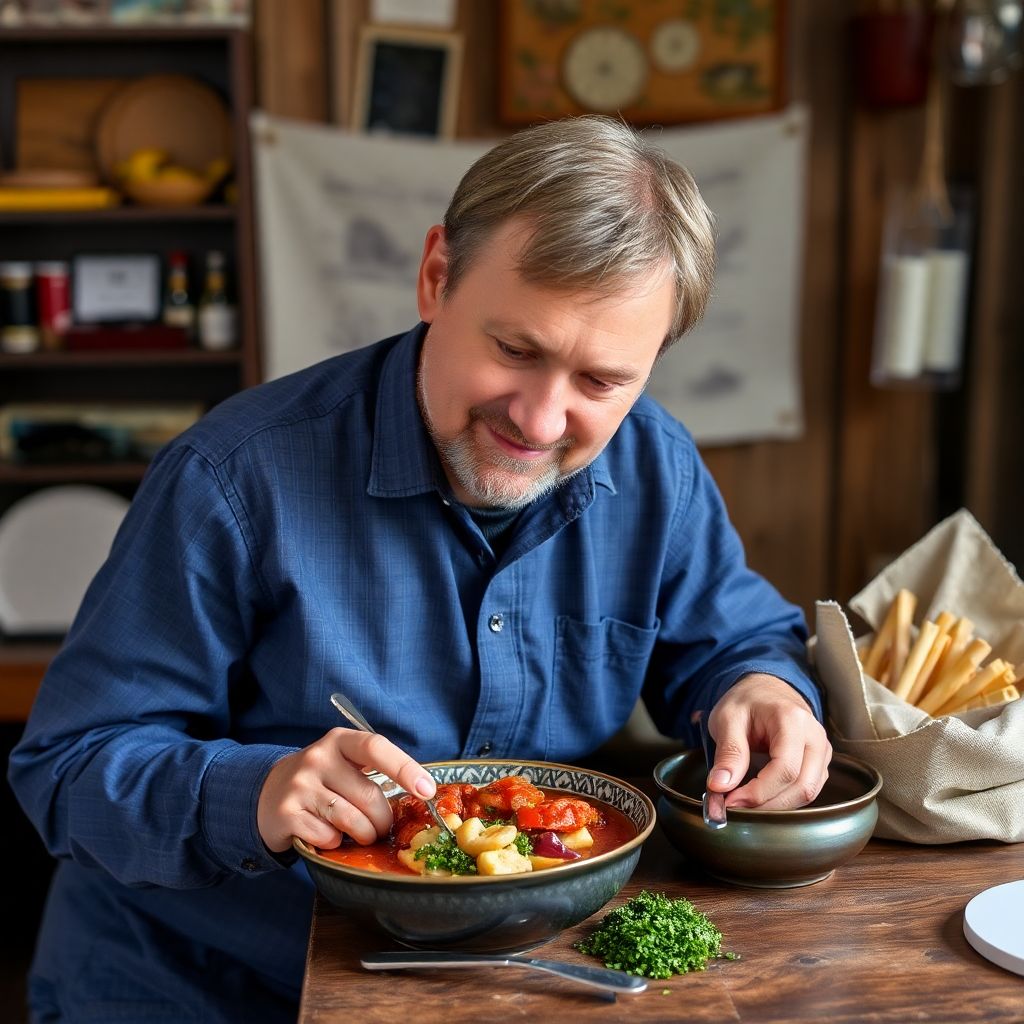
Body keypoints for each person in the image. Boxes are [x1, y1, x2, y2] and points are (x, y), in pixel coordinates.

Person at [9, 114, 831, 1022]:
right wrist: (258, 792)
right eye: (516, 350)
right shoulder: (232, 480)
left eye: (601, 382)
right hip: (195, 982)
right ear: (436, 276)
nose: (543, 421)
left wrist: (763, 687)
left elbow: (734, 636)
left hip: (495, 984)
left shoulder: (657, 470)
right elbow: (65, 769)